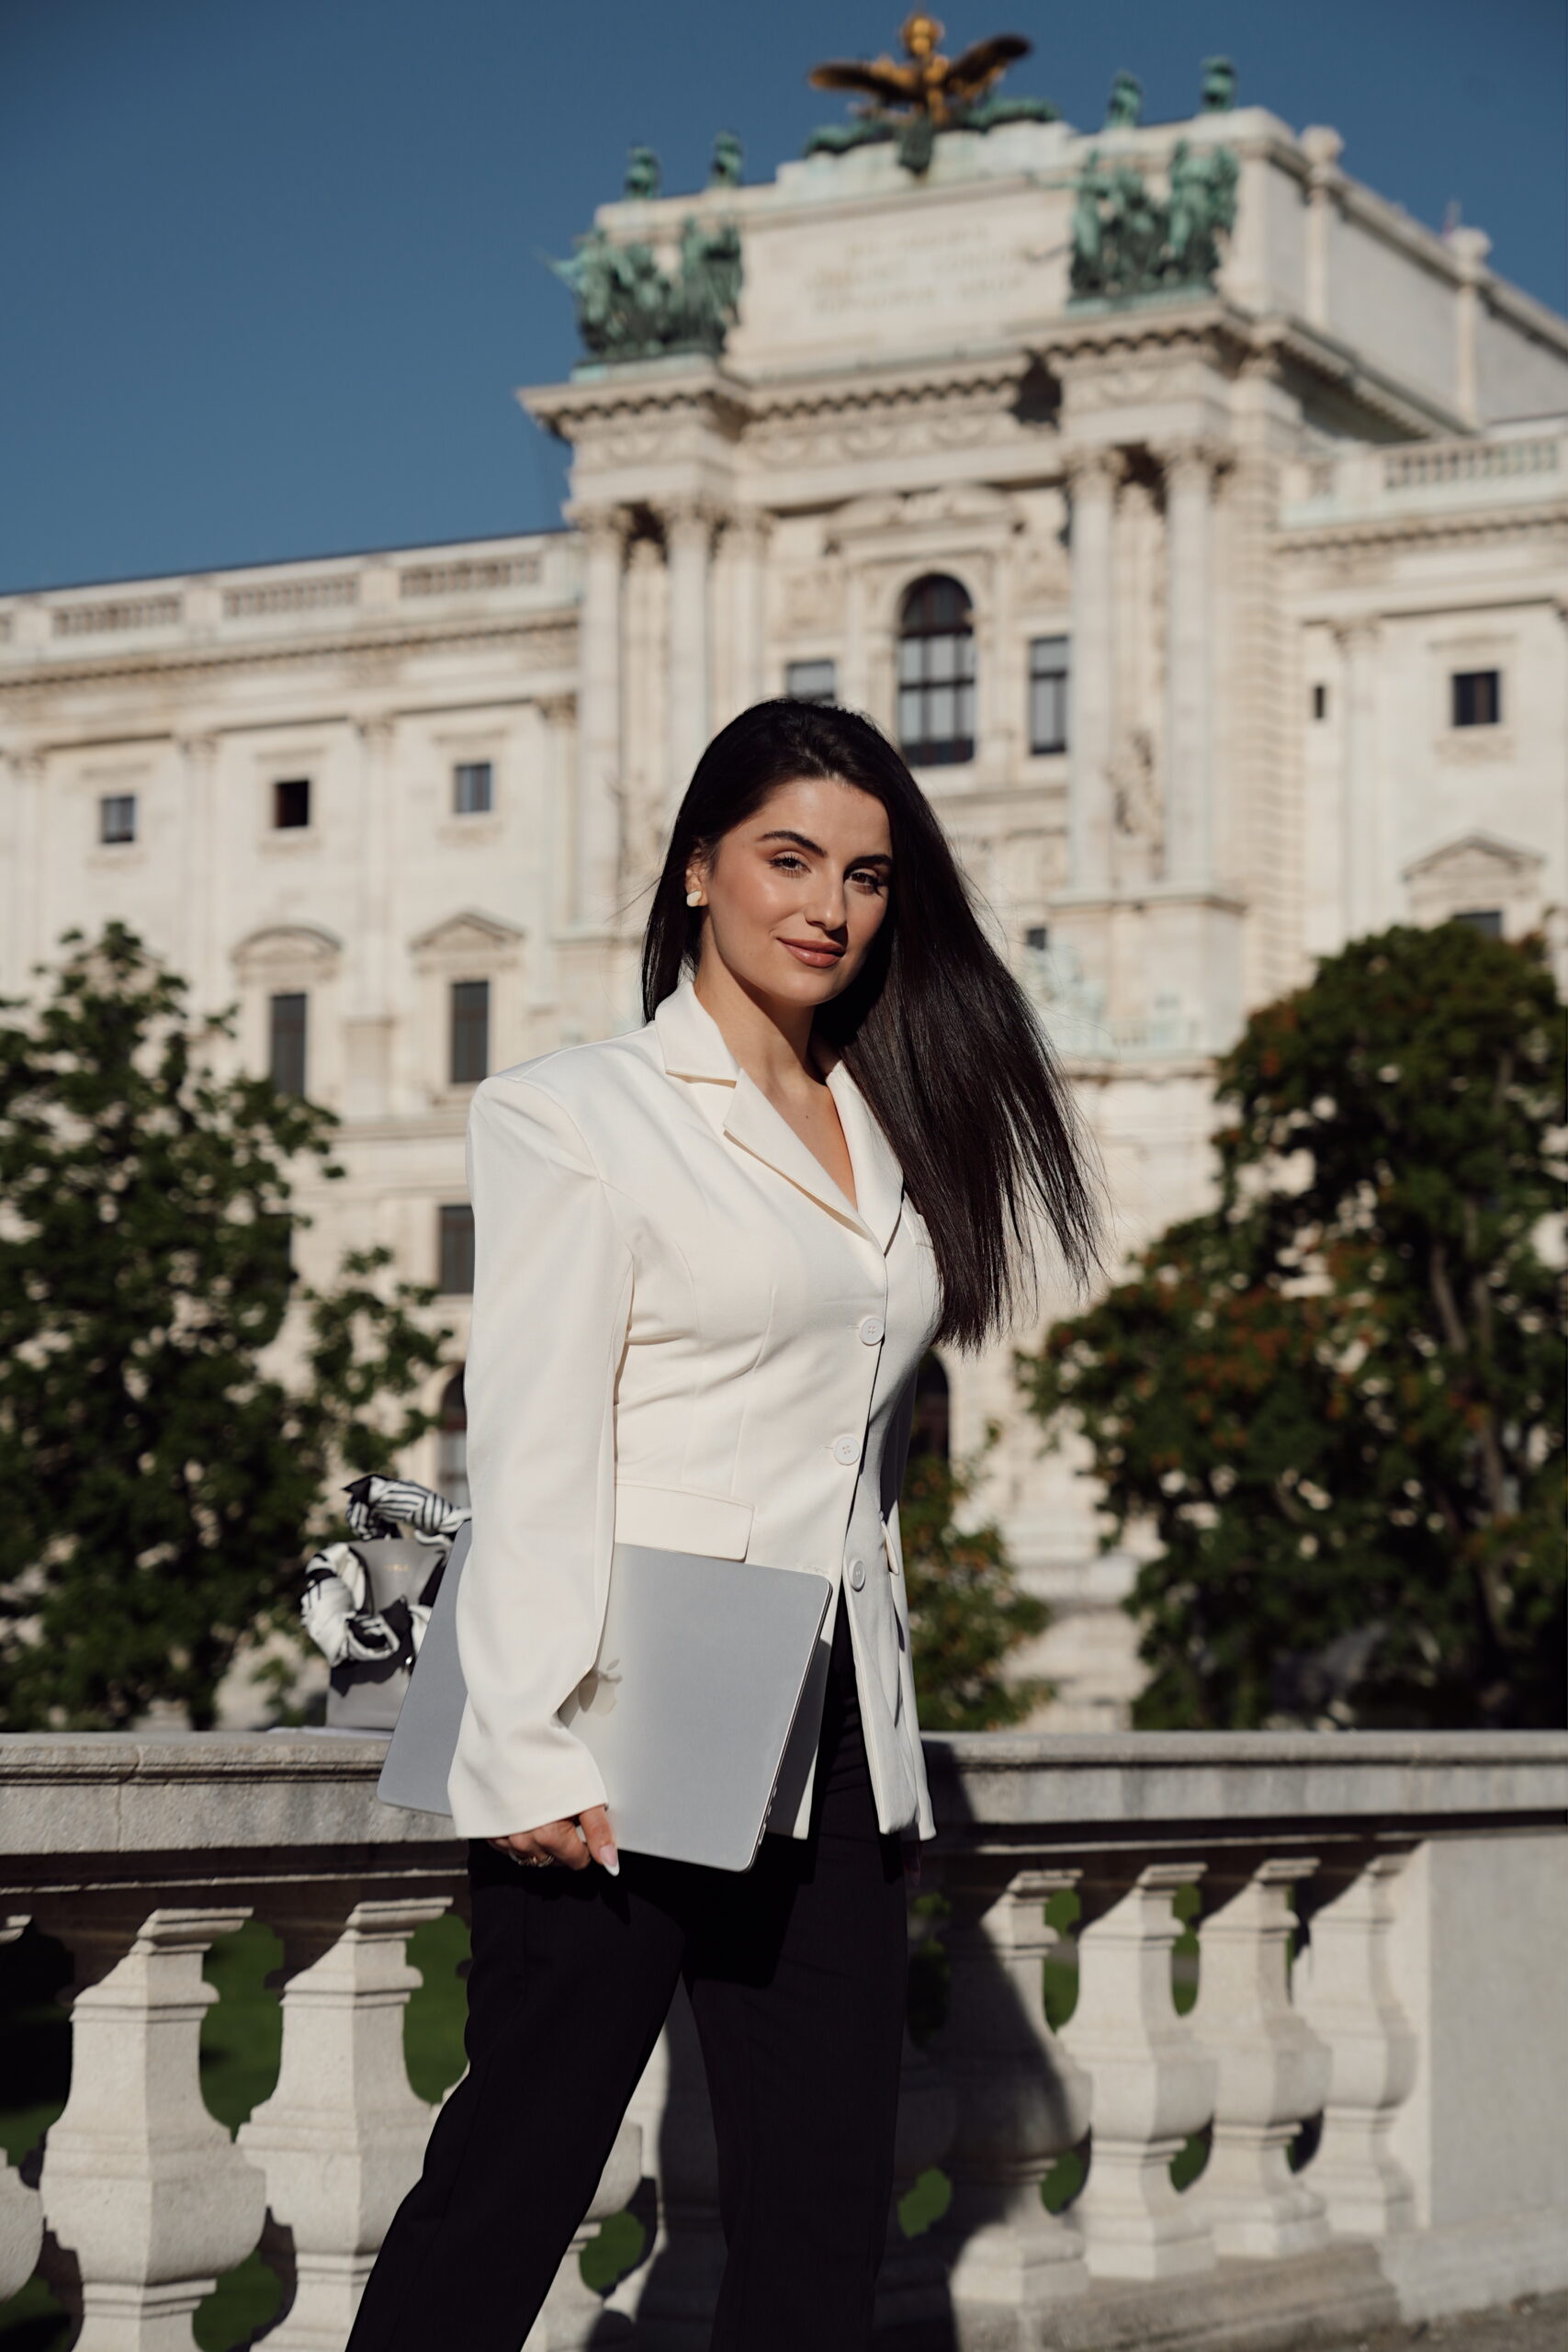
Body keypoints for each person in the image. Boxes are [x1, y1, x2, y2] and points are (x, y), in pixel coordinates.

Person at [346, 699, 1100, 2352]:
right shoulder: (574, 1112)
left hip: (833, 1732)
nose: (829, 903)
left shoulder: (892, 1123)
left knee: (823, 2212)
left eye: (870, 874)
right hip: (626, 1717)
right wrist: (525, 1738)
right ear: (698, 871)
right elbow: (533, 1441)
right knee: (515, 2179)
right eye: (787, 858)